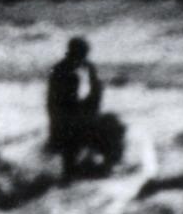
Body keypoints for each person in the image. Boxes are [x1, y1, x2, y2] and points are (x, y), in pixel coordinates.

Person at [44, 37, 129, 180]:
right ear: (71, 52)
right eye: (80, 53)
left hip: (85, 117)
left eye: (84, 53)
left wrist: (91, 111)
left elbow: (95, 94)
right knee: (73, 133)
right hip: (66, 122)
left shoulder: (89, 68)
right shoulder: (60, 71)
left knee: (115, 125)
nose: (83, 56)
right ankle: (70, 172)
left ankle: (109, 165)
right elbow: (56, 104)